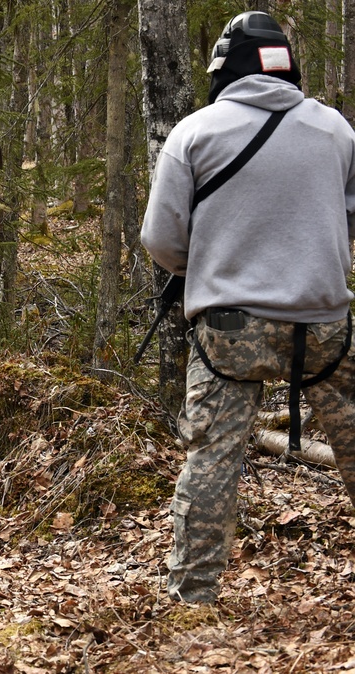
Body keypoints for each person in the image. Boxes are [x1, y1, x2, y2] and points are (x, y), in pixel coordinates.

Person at [140, 10, 355, 604]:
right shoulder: (336, 130)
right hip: (325, 322)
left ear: (223, 68)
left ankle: (192, 597)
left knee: (212, 457)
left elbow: (160, 239)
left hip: (229, 327)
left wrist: (202, 269)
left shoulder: (194, 132)